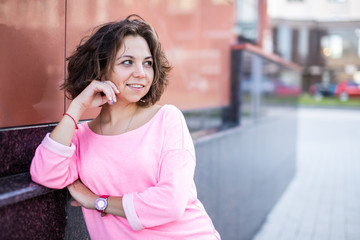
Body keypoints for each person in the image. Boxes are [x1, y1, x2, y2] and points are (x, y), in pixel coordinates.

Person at [30, 14, 220, 240]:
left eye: (147, 63)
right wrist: (78, 106)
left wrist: (98, 202)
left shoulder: (167, 119)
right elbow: (45, 174)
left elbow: (172, 202)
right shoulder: (80, 137)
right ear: (100, 69)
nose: (141, 73)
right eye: (127, 62)